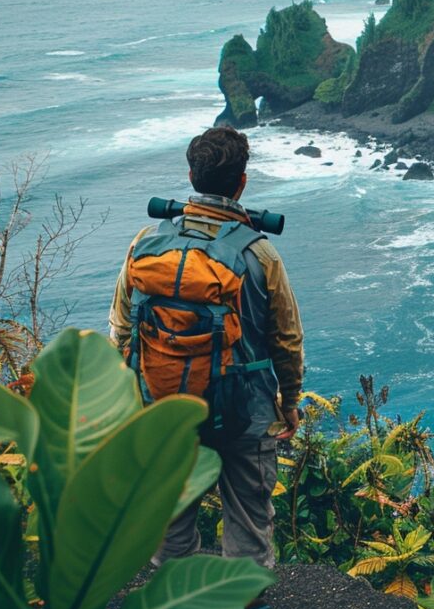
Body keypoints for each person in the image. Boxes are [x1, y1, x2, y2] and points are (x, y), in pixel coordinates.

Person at [109, 126, 303, 582]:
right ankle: (244, 599)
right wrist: (289, 402)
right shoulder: (261, 254)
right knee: (248, 514)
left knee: (172, 507)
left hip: (165, 403)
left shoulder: (145, 243)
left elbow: (121, 326)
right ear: (242, 182)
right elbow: (287, 340)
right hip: (244, 409)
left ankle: (178, 594)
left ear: (192, 175)